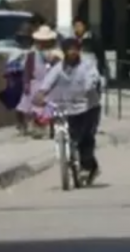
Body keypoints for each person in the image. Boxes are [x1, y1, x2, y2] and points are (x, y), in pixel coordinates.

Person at [35, 35, 103, 184]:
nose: (72, 52)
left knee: (86, 138)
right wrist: (41, 94)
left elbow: (92, 78)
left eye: (75, 49)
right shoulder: (59, 68)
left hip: (89, 106)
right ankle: (71, 163)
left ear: (79, 50)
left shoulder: (87, 64)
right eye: (69, 50)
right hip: (70, 107)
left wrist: (89, 87)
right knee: (73, 137)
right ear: (64, 52)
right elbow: (49, 81)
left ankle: (90, 167)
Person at [17, 25, 62, 138]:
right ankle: (33, 127)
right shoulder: (32, 54)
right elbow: (27, 70)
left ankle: (50, 127)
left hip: (51, 84)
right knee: (30, 106)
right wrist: (26, 83)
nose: (43, 43)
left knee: (50, 107)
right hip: (35, 83)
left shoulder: (57, 54)